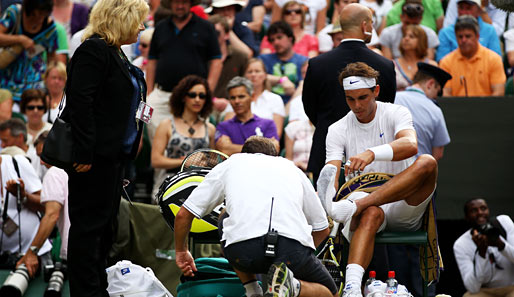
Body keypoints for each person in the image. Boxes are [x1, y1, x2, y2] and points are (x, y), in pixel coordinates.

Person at [316, 62, 438, 297]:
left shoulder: (396, 112)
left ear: (376, 91)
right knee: (371, 211)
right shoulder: (337, 129)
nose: (357, 106)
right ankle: (351, 288)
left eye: (363, 97)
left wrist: (371, 153)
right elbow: (331, 171)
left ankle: (355, 206)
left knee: (428, 162)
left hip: (404, 207)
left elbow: (411, 145)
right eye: (350, 99)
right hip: (370, 210)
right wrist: (329, 203)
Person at [174, 136, 338, 297]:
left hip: (242, 253)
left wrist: (181, 251)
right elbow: (322, 229)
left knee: (224, 217)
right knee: (331, 293)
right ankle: (293, 287)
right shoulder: (292, 168)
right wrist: (302, 259)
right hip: (291, 252)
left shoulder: (232, 163)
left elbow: (183, 215)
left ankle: (253, 291)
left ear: (243, 154)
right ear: (275, 157)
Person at [61, 0, 149, 295]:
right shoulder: (93, 50)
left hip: (113, 160)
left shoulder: (116, 54)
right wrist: (84, 152)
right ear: (121, 18)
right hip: (93, 160)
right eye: (138, 19)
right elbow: (80, 103)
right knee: (88, 232)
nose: (142, 26)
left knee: (105, 231)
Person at [302, 3, 396, 185]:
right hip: (371, 156)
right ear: (364, 26)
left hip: (325, 150)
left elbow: (310, 107)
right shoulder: (385, 65)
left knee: (324, 211)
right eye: (371, 23)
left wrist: (329, 123)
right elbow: (386, 105)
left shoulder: (317, 64)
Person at [392, 63, 451, 297]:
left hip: (391, 181)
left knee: (392, 240)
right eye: (437, 90)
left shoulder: (391, 100)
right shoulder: (434, 110)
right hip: (421, 185)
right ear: (430, 84)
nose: (436, 95)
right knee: (424, 241)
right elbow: (437, 155)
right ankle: (425, 292)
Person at [146, 0, 221, 140]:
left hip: (194, 96)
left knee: (194, 143)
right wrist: (149, 92)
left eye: (184, 2)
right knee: (154, 134)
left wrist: (207, 91)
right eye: (176, 2)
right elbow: (152, 62)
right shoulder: (160, 27)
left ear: (191, 3)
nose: (180, 6)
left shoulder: (206, 27)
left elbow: (216, 61)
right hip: (162, 94)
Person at [151, 75, 215, 200]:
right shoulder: (166, 125)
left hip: (200, 189)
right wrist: (185, 162)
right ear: (183, 97)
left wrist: (205, 162)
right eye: (192, 95)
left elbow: (214, 161)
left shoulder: (210, 128)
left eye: (202, 96)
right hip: (169, 187)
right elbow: (156, 160)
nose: (197, 99)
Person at [16, 131, 70, 277]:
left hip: (76, 252)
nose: (41, 162)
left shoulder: (54, 173)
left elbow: (51, 214)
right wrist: (24, 196)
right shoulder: (77, 168)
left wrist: (31, 252)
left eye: (43, 155)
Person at [0, 0, 58, 105]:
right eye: (36, 14)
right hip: (6, 81)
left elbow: (52, 58)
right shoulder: (14, 13)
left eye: (43, 14)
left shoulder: (50, 28)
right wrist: (20, 39)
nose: (39, 18)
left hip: (34, 85)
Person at [454, 198, 514, 297]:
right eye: (474, 210)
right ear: (467, 217)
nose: (480, 213)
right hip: (485, 291)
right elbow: (472, 287)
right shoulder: (461, 244)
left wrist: (501, 245)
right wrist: (481, 253)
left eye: (483, 208)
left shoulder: (503, 222)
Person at [439, 15, 505, 97]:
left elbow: (499, 93)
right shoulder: (446, 62)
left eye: (468, 36)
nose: (463, 40)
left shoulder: (493, 59)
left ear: (477, 36)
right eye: (460, 37)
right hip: (456, 109)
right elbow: (446, 94)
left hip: (487, 108)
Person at [215, 76, 279, 155]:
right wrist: (262, 149)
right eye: (232, 98)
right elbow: (224, 150)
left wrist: (232, 147)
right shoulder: (223, 126)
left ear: (252, 97)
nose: (237, 101)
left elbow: (275, 149)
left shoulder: (268, 124)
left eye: (241, 96)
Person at [223, 58, 286, 138]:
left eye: (257, 71)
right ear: (244, 76)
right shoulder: (236, 98)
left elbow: (276, 135)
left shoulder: (275, 99)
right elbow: (226, 130)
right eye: (250, 72)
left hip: (265, 146)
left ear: (265, 75)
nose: (253, 75)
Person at [259, 21, 308, 104]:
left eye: (279, 37)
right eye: (272, 40)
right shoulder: (264, 60)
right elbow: (252, 77)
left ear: (290, 38)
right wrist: (281, 79)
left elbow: (304, 87)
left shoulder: (303, 61)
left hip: (297, 105)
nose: (276, 42)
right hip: (268, 105)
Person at [435, 0, 501, 62]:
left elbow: (496, 60)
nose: (464, 12)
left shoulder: (490, 31)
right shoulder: (445, 33)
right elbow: (442, 63)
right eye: (461, 8)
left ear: (478, 10)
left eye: (468, 8)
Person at [208, 15, 249, 102]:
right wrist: (213, 100)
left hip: (234, 104)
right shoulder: (201, 56)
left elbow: (247, 85)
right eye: (209, 33)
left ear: (226, 35)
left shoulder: (239, 57)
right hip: (207, 104)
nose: (213, 37)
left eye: (216, 33)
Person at [392, 25, 437, 91]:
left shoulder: (432, 66)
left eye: (411, 36)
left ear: (421, 41)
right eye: (404, 36)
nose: (406, 39)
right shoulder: (392, 65)